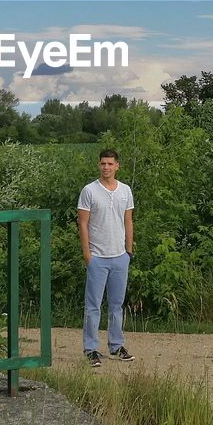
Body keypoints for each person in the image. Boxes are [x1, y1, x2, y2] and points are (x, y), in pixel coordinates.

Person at [77, 148, 135, 367]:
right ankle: (91, 348)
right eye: (103, 163)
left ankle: (116, 345)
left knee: (116, 305)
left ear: (117, 166)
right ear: (98, 165)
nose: (106, 167)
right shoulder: (89, 191)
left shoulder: (125, 191)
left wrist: (128, 251)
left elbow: (128, 220)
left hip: (120, 256)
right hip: (97, 257)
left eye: (110, 164)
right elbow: (82, 223)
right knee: (93, 305)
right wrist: (87, 254)